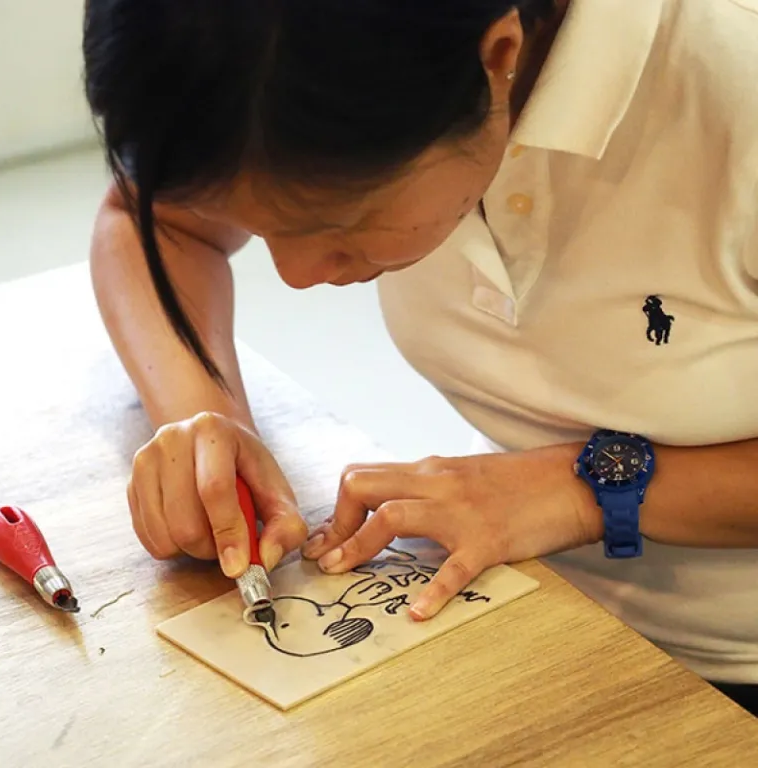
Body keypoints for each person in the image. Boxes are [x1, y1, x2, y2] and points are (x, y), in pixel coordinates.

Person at [82, 0, 758, 716]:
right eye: (260, 226)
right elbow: (151, 220)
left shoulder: (731, 83)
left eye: (342, 221)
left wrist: (575, 489)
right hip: (533, 606)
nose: (296, 275)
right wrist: (207, 425)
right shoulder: (317, 77)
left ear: (498, 58)